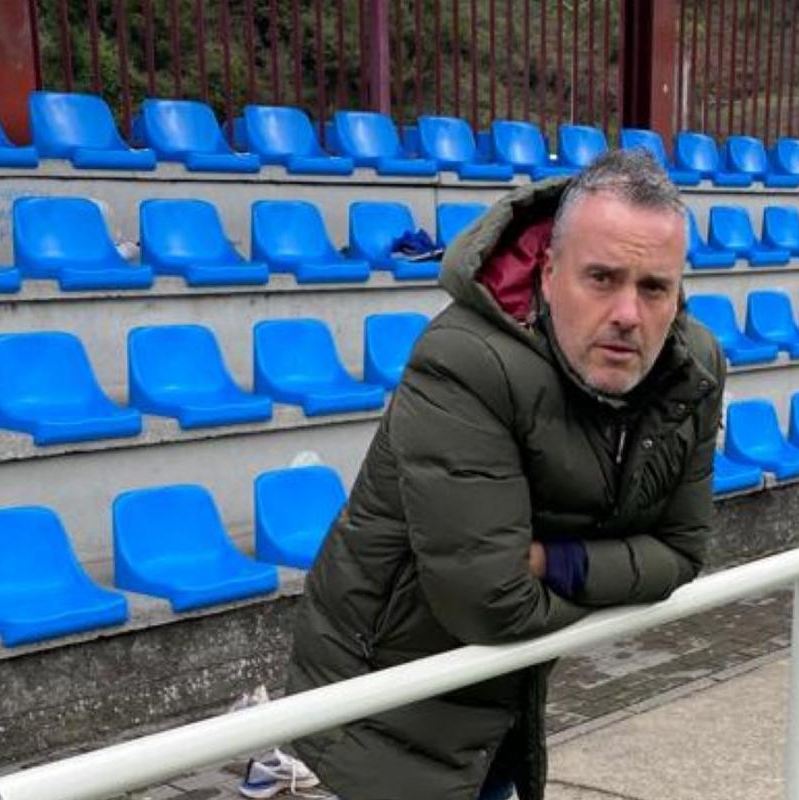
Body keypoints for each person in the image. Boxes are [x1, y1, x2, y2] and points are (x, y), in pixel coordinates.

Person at [286, 149, 725, 800]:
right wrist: (618, 571)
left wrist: (554, 561)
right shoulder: (462, 360)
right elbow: (489, 603)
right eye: (601, 278)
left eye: (654, 287)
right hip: (379, 697)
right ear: (548, 274)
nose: (630, 314)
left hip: (503, 693)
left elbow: (683, 552)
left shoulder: (693, 367)